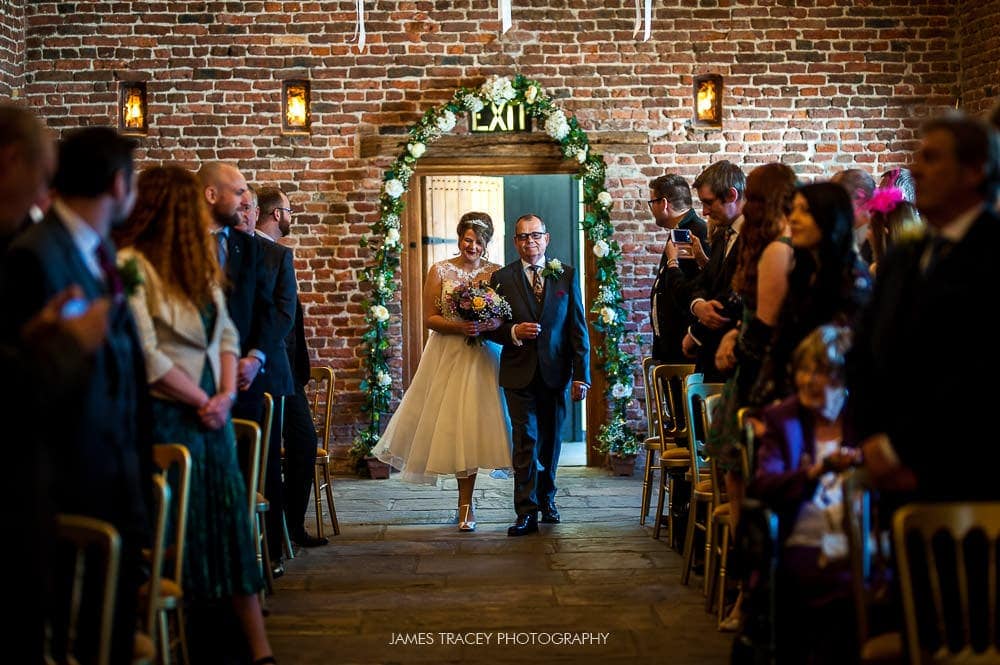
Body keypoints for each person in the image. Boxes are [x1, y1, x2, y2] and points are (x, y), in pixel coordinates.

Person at [114, 164, 276, 665]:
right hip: (174, 413)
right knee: (182, 532)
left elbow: (226, 333)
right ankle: (193, 639)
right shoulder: (132, 266)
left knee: (229, 527)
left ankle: (257, 651)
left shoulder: (197, 264)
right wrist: (201, 399)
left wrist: (225, 393)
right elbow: (146, 353)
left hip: (215, 416)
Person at [1, 125, 152, 665]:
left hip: (113, 476)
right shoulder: (36, 256)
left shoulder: (98, 252)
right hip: (70, 483)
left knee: (107, 633)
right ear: (118, 185)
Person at [850, 113, 1000, 501]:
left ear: (974, 171)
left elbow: (976, 371)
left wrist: (904, 448)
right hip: (887, 468)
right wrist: (871, 440)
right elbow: (866, 349)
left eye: (931, 158)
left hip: (965, 472)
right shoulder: (905, 254)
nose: (915, 170)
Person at [373, 212, 513, 532]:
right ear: (458, 238)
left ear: (487, 243)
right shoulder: (440, 270)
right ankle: (464, 505)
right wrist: (459, 325)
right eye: (467, 240)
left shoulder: (497, 273)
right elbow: (430, 318)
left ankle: (471, 503)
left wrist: (490, 324)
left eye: (479, 242)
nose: (472, 246)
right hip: (447, 353)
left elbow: (504, 315)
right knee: (452, 426)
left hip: (484, 356)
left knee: (477, 426)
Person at [750, 325, 860, 665]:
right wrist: (814, 472)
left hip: (860, 539)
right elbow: (763, 484)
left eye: (821, 372)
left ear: (842, 380)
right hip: (804, 538)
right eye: (804, 370)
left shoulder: (862, 419)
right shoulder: (784, 419)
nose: (808, 380)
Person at [488, 213, 591, 537]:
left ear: (546, 239)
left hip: (555, 373)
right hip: (519, 372)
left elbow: (577, 328)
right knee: (525, 442)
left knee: (550, 443)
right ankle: (526, 511)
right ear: (515, 242)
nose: (529, 242)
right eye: (522, 237)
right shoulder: (502, 278)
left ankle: (547, 499)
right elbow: (492, 327)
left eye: (535, 236)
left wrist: (581, 375)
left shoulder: (566, 275)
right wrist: (514, 330)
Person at [257, 185, 328, 547]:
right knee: (284, 449)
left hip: (287, 369)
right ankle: (283, 531)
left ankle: (287, 527)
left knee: (299, 444)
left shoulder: (273, 253)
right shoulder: (264, 253)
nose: (290, 217)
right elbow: (280, 317)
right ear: (276, 214)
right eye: (288, 211)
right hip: (270, 369)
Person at [237, 184, 298, 573]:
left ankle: (272, 547)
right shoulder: (223, 252)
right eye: (240, 208)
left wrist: (255, 354)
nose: (245, 215)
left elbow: (283, 312)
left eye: (249, 208)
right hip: (230, 366)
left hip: (267, 368)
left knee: (267, 463)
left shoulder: (277, 256)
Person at [681, 160, 746, 381]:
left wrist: (695, 334)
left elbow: (734, 296)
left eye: (708, 203)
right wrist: (698, 305)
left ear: (731, 195)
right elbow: (703, 282)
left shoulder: (755, 238)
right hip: (710, 359)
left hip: (733, 359)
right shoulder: (722, 234)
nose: (704, 211)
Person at [648, 173, 709, 363]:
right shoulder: (679, 231)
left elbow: (697, 288)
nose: (651, 209)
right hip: (671, 348)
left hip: (684, 350)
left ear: (664, 203)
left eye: (652, 203)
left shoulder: (695, 232)